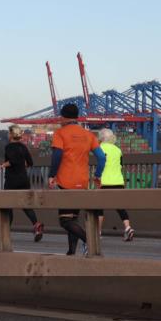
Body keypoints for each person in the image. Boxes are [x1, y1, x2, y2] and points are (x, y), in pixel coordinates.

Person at [47, 104, 106, 255]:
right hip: (82, 182)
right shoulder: (88, 135)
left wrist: (51, 175)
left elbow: (57, 155)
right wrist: (97, 176)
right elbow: (101, 157)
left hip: (66, 182)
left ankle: (89, 241)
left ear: (63, 117)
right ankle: (71, 252)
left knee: (65, 221)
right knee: (73, 219)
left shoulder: (60, 133)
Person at [0, 125, 43, 241]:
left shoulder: (9, 147)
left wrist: (2, 165)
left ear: (11, 135)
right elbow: (30, 162)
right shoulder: (23, 147)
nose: (8, 135)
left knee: (7, 206)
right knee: (26, 205)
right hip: (24, 179)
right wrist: (22, 166)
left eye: (9, 133)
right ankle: (36, 225)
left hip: (12, 180)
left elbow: (12, 161)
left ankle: (6, 231)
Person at [95, 129, 136, 241]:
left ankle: (98, 233)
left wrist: (97, 175)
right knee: (120, 207)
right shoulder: (118, 150)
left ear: (101, 138)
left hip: (104, 182)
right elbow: (121, 165)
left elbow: (99, 163)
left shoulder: (99, 148)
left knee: (99, 208)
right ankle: (128, 228)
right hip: (118, 181)